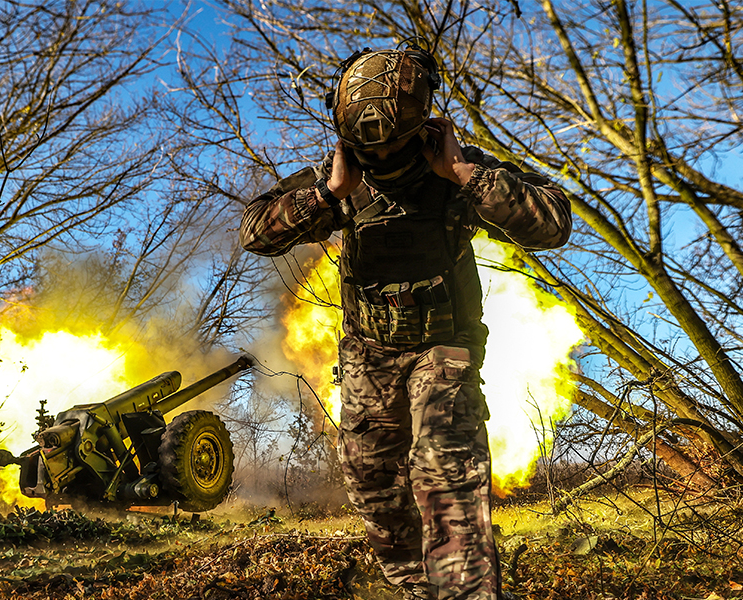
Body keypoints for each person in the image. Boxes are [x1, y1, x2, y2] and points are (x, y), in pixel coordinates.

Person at [239, 45, 571, 600]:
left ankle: (463, 593)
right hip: (369, 355)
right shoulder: (337, 175)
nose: (385, 159)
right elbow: (254, 232)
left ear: (422, 130)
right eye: (371, 149)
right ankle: (418, 591)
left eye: (395, 145)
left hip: (445, 349)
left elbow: (553, 221)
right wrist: (326, 197)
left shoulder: (456, 168)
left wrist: (466, 176)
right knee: (373, 486)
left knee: (448, 478)